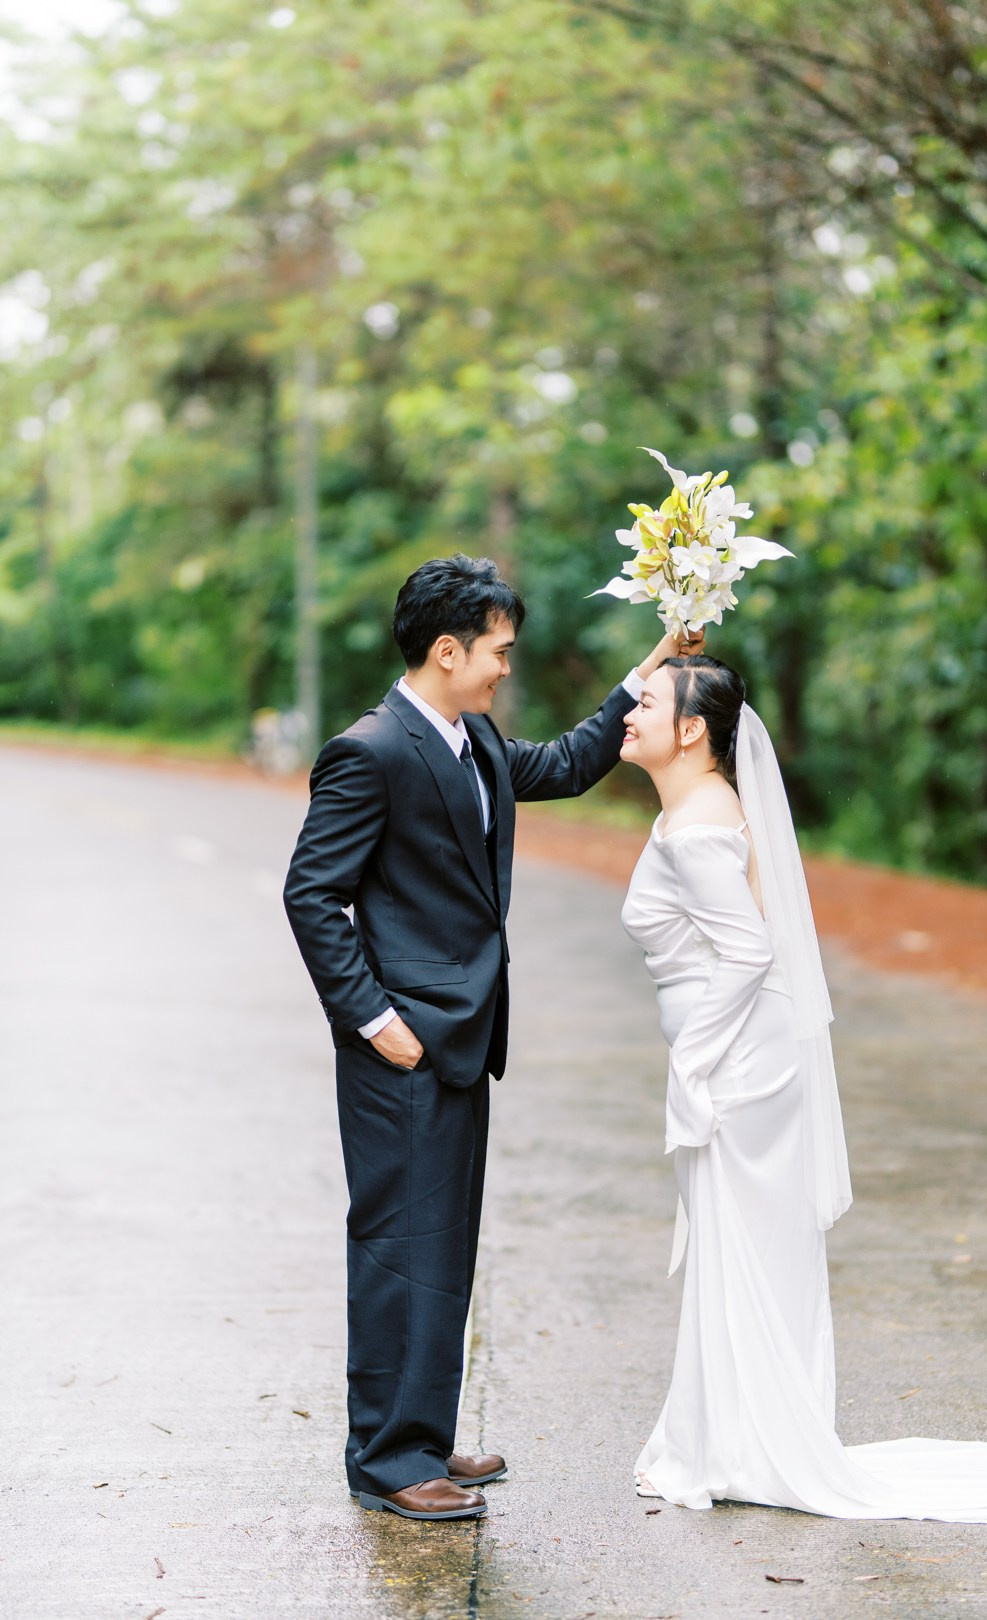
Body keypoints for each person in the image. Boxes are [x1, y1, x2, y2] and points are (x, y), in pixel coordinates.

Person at [620, 652, 987, 1521]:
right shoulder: (694, 804)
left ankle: (736, 1446)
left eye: (644, 702)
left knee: (743, 1248)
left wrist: (694, 1063)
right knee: (741, 1248)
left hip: (740, 1066)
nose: (625, 714)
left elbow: (750, 950)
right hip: (744, 1055)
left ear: (691, 731)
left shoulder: (698, 825)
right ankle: (720, 1438)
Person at [283, 553, 690, 1522]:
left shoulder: (475, 743)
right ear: (448, 648)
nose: (507, 666)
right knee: (396, 1246)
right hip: (404, 1050)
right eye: (498, 650)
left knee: (444, 1247)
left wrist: (656, 660)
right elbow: (311, 894)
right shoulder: (371, 750)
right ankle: (387, 1461)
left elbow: (575, 760)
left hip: (462, 1040)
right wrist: (379, 1023)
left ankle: (419, 1435)